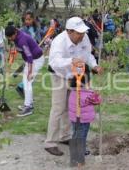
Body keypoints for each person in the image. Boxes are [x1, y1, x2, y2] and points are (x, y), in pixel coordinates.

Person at [45, 17, 103, 156]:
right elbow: (54, 62)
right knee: (58, 108)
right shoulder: (59, 41)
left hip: (74, 76)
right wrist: (71, 61)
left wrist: (94, 65)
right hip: (59, 75)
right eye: (78, 33)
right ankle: (50, 142)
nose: (82, 35)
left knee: (69, 107)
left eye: (83, 32)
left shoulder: (85, 39)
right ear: (69, 31)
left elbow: (88, 55)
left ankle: (64, 136)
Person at [5, 25, 45, 117]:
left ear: (15, 33)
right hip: (30, 60)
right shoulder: (16, 37)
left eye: (11, 37)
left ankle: (28, 108)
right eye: (9, 37)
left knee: (28, 81)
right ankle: (28, 104)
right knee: (25, 82)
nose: (10, 39)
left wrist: (30, 72)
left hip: (36, 60)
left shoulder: (22, 40)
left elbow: (29, 56)